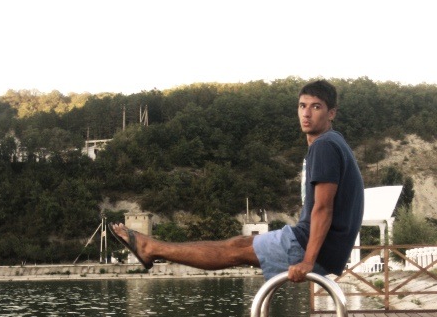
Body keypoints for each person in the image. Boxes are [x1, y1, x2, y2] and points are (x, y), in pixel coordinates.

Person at [109, 80, 364, 283]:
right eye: (302, 105)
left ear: (331, 113)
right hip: (321, 247)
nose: (306, 113)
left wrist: (308, 260)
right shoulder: (334, 142)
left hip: (309, 246)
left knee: (233, 250)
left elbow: (323, 208)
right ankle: (151, 248)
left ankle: (151, 248)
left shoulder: (324, 146)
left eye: (316, 107)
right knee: (237, 246)